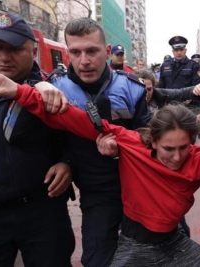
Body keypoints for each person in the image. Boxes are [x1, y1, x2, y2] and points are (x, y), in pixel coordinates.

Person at [0, 73, 200, 267]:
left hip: (175, 244)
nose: (176, 157)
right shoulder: (130, 143)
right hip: (133, 247)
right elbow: (72, 119)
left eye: (183, 148)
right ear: (152, 139)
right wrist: (22, 92)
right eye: (168, 149)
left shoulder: (197, 158)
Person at [46, 18, 152, 267]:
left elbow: (148, 133)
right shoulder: (54, 91)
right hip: (95, 193)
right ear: (67, 53)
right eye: (75, 52)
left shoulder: (132, 88)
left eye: (92, 51)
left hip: (138, 187)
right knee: (96, 259)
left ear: (106, 52)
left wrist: (125, 144)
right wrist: (66, 162)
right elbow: (51, 142)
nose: (84, 61)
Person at [0, 13, 75, 267]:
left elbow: (80, 139)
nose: (5, 57)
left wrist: (68, 163)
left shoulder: (54, 91)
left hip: (42, 214)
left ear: (33, 50)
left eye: (16, 49)